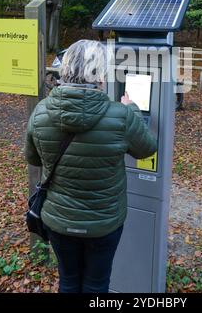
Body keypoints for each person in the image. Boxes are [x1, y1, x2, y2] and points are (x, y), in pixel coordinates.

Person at [25, 39, 157, 293]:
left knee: (68, 281)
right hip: (104, 222)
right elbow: (147, 148)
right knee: (97, 284)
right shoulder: (122, 115)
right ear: (100, 74)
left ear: (65, 70)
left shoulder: (41, 112)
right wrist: (133, 110)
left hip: (59, 220)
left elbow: (33, 159)